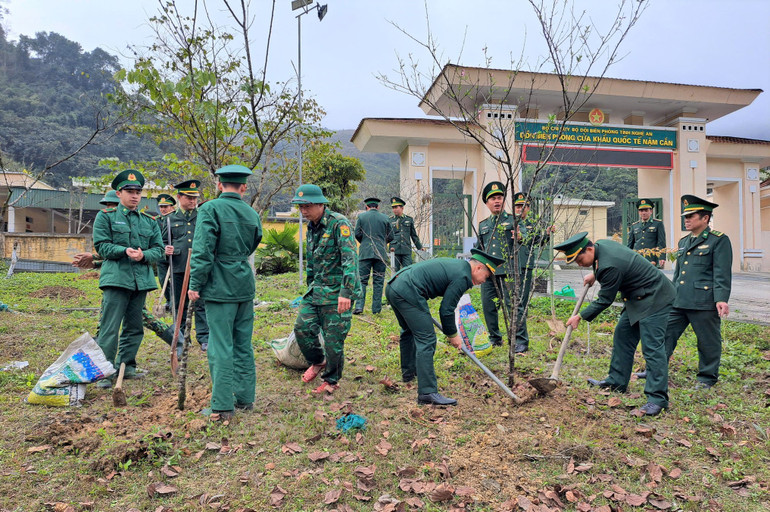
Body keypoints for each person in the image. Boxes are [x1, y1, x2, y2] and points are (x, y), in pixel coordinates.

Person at [555, 232, 675, 417]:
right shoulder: (601, 246)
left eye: (579, 259)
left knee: (652, 347)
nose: (579, 264)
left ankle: (657, 399)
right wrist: (594, 274)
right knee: (623, 335)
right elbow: (606, 264)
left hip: (655, 298)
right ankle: (616, 381)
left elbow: (605, 300)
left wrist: (580, 316)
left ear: (589, 248)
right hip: (637, 298)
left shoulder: (609, 265)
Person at [188, 165, 262, 422]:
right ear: (243, 187)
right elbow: (253, 243)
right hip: (244, 285)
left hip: (220, 287)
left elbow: (203, 251)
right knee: (243, 343)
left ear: (220, 185)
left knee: (220, 345)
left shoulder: (209, 209)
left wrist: (195, 284)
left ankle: (221, 405)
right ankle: (245, 398)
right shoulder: (252, 213)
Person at [385, 248, 504, 406]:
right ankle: (427, 392)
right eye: (486, 277)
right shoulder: (463, 276)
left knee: (409, 331)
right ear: (478, 268)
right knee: (427, 339)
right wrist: (452, 335)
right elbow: (446, 310)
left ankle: (410, 373)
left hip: (395, 285)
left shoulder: (458, 267)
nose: (484, 281)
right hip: (408, 290)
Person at [92, 170, 164, 388]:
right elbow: (102, 245)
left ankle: (128, 366)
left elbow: (159, 249)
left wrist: (144, 255)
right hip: (116, 279)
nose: (134, 196)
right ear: (119, 193)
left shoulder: (149, 222)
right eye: (130, 191)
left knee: (134, 326)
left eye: (138, 192)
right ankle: (105, 372)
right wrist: (124, 251)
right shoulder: (106, 217)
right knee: (110, 327)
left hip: (140, 280)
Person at [292, 184, 361, 395]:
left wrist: (346, 293)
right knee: (302, 327)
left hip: (338, 292)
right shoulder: (311, 227)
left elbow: (350, 260)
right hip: (317, 290)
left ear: (322, 204)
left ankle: (332, 380)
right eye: (300, 206)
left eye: (308, 206)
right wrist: (310, 285)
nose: (304, 210)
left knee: (333, 340)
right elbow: (312, 262)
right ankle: (318, 361)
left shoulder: (338, 224)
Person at [663, 195, 732, 390]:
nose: (686, 219)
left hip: (703, 301)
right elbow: (678, 273)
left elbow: (721, 273)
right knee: (665, 334)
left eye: (691, 216)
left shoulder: (718, 240)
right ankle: (657, 368)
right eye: (685, 216)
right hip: (679, 299)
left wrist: (721, 299)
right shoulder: (684, 241)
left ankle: (707, 377)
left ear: (705, 218)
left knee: (707, 341)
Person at [72, 251, 183, 356]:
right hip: (115, 278)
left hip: (132, 279)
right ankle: (98, 349)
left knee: (140, 315)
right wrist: (95, 264)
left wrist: (94, 257)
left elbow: (125, 250)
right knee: (107, 314)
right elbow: (114, 252)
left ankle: (175, 339)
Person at [161, 179, 209, 352]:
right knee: (178, 303)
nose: (193, 201)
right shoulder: (169, 219)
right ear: (179, 197)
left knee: (201, 302)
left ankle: (204, 337)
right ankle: (180, 338)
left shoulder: (203, 217)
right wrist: (166, 249)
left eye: (195, 198)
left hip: (198, 267)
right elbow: (161, 243)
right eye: (188, 197)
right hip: (178, 267)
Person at [474, 182, 517, 349]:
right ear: (487, 203)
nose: (496, 201)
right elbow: (479, 248)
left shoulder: (513, 221)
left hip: (508, 272)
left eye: (499, 197)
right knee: (488, 306)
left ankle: (514, 338)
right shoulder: (483, 225)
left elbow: (524, 239)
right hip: (488, 273)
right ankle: (495, 337)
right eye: (493, 198)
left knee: (510, 306)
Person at [511, 191, 553, 353]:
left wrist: (547, 234)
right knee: (511, 303)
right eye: (518, 206)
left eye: (524, 206)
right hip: (509, 267)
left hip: (525, 266)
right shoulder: (507, 223)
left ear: (528, 208)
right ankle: (511, 334)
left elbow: (538, 241)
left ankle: (520, 336)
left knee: (522, 300)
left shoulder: (531, 225)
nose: (521, 209)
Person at [353, 197, 393, 315]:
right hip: (381, 253)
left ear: (366, 207)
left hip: (365, 252)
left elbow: (357, 234)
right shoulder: (385, 218)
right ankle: (376, 309)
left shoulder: (361, 217)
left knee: (362, 280)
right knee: (378, 281)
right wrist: (381, 242)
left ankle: (359, 306)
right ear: (378, 207)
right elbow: (391, 236)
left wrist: (365, 242)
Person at [627, 198, 666, 268]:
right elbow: (630, 244)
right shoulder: (634, 226)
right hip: (637, 259)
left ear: (651, 211)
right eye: (641, 211)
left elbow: (661, 242)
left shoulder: (658, 224)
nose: (643, 213)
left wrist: (662, 257)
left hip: (652, 259)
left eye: (646, 210)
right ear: (639, 212)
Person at [389, 196, 423, 271]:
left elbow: (413, 235)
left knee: (408, 271)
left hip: (406, 249)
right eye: (393, 208)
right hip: (394, 250)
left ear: (402, 208)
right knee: (395, 272)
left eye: (396, 207)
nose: (394, 209)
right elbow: (387, 236)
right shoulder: (390, 220)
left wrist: (419, 247)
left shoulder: (409, 219)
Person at [156, 192, 177, 307]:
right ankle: (169, 300)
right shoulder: (156, 220)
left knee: (175, 279)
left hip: (175, 254)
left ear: (172, 207)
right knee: (163, 278)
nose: (163, 209)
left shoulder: (176, 218)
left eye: (166, 206)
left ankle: (175, 301)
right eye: (161, 207)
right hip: (161, 254)